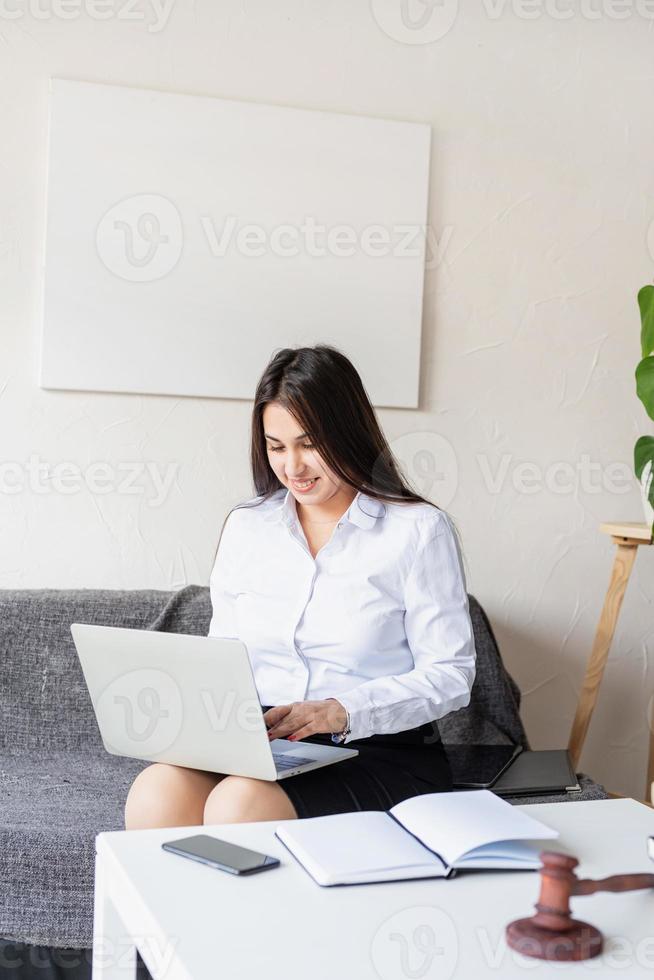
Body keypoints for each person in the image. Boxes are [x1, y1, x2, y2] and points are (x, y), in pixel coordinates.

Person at [124, 344, 476, 830]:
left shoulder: (416, 530)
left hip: (372, 745)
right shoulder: (248, 527)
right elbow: (222, 655)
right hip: (262, 741)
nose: (293, 467)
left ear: (348, 433)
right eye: (276, 446)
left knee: (238, 804)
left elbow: (451, 674)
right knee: (156, 792)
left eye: (309, 444)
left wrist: (341, 712)